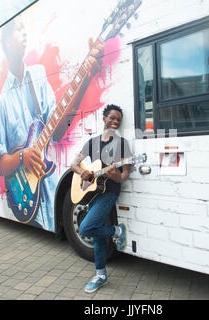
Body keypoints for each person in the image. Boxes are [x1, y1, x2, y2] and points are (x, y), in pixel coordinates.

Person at [0, 17, 103, 230]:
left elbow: (57, 130)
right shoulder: (3, 102)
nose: (24, 33)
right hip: (25, 200)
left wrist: (85, 80)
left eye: (25, 28)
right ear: (7, 41)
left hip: (49, 189)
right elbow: (1, 164)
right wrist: (22, 156)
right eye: (18, 29)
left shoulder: (38, 75)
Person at [70, 104, 132, 293]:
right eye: (112, 117)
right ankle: (101, 275)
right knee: (96, 232)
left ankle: (116, 231)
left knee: (86, 227)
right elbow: (74, 164)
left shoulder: (122, 144)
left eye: (118, 119)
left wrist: (114, 174)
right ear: (104, 119)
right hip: (92, 193)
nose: (115, 121)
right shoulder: (92, 143)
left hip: (109, 192)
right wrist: (84, 173)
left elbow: (124, 176)